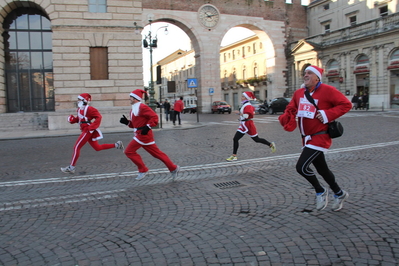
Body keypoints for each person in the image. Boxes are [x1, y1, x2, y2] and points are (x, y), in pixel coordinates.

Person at [278, 65, 352, 211]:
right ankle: (339, 193)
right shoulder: (299, 93)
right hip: (306, 138)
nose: (306, 75)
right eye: (305, 73)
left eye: (309, 73)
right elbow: (291, 108)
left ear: (317, 77)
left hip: (320, 137)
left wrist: (326, 114)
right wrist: (287, 117)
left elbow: (346, 104)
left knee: (301, 167)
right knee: (323, 170)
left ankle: (320, 190)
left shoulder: (327, 90)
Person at [120, 89, 180, 180]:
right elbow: (135, 125)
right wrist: (127, 122)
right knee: (157, 154)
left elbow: (154, 117)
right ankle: (173, 168)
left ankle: (143, 169)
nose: (129, 99)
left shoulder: (142, 107)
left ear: (135, 98)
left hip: (143, 135)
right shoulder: (133, 110)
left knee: (129, 151)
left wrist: (148, 126)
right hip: (140, 134)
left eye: (131, 97)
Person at [61, 93, 124, 174]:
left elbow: (99, 117)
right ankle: (117, 145)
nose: (78, 101)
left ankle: (71, 167)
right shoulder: (80, 109)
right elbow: (79, 119)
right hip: (85, 130)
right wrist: (72, 120)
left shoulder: (90, 109)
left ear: (84, 100)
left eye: (79, 99)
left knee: (76, 147)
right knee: (97, 148)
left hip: (87, 130)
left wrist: (91, 127)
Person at [226, 91, 276, 162]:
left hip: (247, 124)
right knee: (256, 139)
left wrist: (239, 113)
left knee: (236, 139)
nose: (241, 97)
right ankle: (270, 144)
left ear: (246, 98)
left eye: (243, 96)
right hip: (245, 124)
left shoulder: (248, 105)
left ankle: (234, 156)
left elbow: (247, 115)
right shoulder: (245, 105)